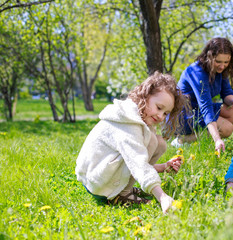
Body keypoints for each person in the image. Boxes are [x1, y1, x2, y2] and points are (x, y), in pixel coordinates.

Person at [75, 72, 187, 214]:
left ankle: (124, 188)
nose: (160, 116)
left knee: (159, 143)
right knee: (151, 140)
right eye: (159, 107)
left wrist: (164, 167)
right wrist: (163, 197)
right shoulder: (128, 123)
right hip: (98, 183)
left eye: (165, 113)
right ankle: (121, 194)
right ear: (145, 96)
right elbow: (137, 162)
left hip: (100, 174)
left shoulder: (139, 117)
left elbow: (137, 161)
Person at [172, 37, 233, 154]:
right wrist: (217, 139)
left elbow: (227, 92)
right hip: (185, 115)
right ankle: (182, 140)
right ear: (209, 57)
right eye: (218, 61)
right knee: (227, 128)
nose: (222, 66)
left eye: (226, 62)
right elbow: (206, 107)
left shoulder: (220, 70)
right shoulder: (196, 72)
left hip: (200, 110)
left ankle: (205, 136)